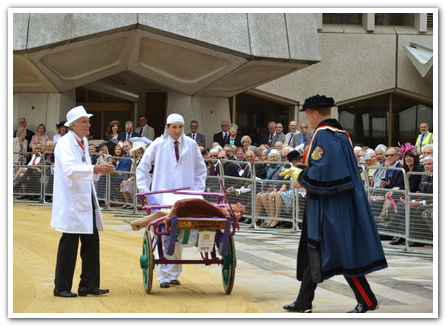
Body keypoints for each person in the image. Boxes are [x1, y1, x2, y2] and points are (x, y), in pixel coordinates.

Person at [280, 94, 387, 313]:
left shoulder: (323, 135)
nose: (307, 119)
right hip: (335, 200)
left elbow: (325, 170)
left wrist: (299, 175)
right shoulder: (340, 134)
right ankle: (304, 301)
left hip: (329, 204)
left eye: (308, 114)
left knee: (342, 250)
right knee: (315, 249)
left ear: (316, 113)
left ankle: (367, 300)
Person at [51, 105, 115, 297]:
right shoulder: (64, 143)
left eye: (88, 121)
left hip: (85, 199)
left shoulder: (82, 141)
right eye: (85, 121)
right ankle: (61, 287)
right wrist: (95, 170)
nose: (89, 124)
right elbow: (70, 169)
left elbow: (84, 167)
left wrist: (97, 171)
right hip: (72, 202)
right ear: (74, 124)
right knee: (69, 245)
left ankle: (89, 284)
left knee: (91, 242)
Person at [136, 113, 207, 289]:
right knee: (163, 233)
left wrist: (197, 192)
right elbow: (142, 168)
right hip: (163, 196)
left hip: (186, 194)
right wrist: (146, 193)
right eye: (173, 127)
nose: (177, 130)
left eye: (180, 127)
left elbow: (200, 170)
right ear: (167, 128)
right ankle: (163, 276)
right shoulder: (158, 144)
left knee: (179, 232)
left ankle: (174, 273)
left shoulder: (191, 145)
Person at [266, 150, 303, 228]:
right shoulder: (288, 168)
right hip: (290, 189)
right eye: (296, 159)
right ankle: (272, 218)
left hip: (299, 190)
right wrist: (277, 190)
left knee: (278, 194)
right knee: (275, 194)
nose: (299, 160)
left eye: (298, 159)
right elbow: (285, 183)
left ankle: (277, 218)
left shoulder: (302, 168)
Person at [121, 141, 147, 209]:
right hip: (130, 177)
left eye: (140, 149)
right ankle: (128, 203)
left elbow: (142, 171)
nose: (138, 151)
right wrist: (125, 179)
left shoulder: (144, 159)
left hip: (140, 178)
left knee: (130, 185)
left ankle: (136, 204)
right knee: (123, 184)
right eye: (137, 149)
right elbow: (127, 169)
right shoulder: (132, 159)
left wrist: (132, 178)